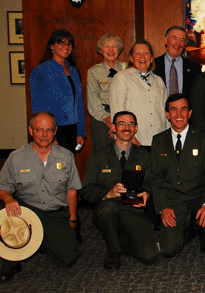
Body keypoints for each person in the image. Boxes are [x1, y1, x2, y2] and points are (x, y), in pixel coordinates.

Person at [0, 112, 81, 283]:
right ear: (31, 130)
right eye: (39, 130)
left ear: (55, 131)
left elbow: (72, 191)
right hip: (25, 213)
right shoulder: (16, 158)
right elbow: (3, 188)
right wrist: (8, 199)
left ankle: (41, 242)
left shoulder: (66, 157)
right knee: (3, 211)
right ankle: (9, 261)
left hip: (55, 214)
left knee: (67, 259)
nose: (44, 135)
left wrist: (72, 220)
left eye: (49, 130)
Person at [80, 111, 158, 269]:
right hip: (107, 209)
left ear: (136, 129)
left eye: (131, 124)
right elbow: (85, 189)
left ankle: (118, 238)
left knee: (150, 256)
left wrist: (147, 194)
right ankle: (113, 251)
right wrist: (108, 194)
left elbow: (153, 182)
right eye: (121, 123)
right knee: (108, 209)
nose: (126, 127)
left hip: (133, 211)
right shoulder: (98, 156)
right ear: (113, 128)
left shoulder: (146, 156)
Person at [149, 94, 205, 257]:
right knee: (168, 250)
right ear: (167, 115)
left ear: (190, 113)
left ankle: (201, 232)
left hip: (199, 199)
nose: (179, 114)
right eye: (173, 110)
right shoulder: (158, 140)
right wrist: (163, 207)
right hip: (173, 202)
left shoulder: (204, 138)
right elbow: (155, 178)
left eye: (183, 109)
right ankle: (188, 228)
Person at [30, 29, 86, 152]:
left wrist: (80, 132)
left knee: (69, 165)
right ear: (51, 46)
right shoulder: (41, 71)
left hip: (72, 129)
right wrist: (50, 136)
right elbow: (38, 107)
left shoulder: (74, 71)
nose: (66, 47)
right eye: (61, 43)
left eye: (68, 44)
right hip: (53, 129)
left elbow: (79, 103)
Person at [110, 40, 168, 149]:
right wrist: (129, 136)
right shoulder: (122, 77)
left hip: (159, 139)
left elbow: (166, 111)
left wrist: (168, 136)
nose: (142, 56)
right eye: (137, 53)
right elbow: (117, 111)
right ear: (131, 58)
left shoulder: (159, 80)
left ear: (151, 58)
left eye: (146, 53)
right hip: (134, 140)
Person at [87, 34, 127, 152]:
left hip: (124, 119)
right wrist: (108, 120)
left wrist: (119, 120)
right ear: (101, 50)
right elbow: (93, 100)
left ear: (119, 49)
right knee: (102, 159)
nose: (111, 50)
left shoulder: (127, 69)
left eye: (114, 46)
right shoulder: (94, 71)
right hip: (102, 120)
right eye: (107, 46)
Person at [153, 25, 202, 98]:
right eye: (174, 38)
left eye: (182, 40)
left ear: (185, 44)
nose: (178, 44)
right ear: (166, 40)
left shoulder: (195, 69)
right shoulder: (152, 65)